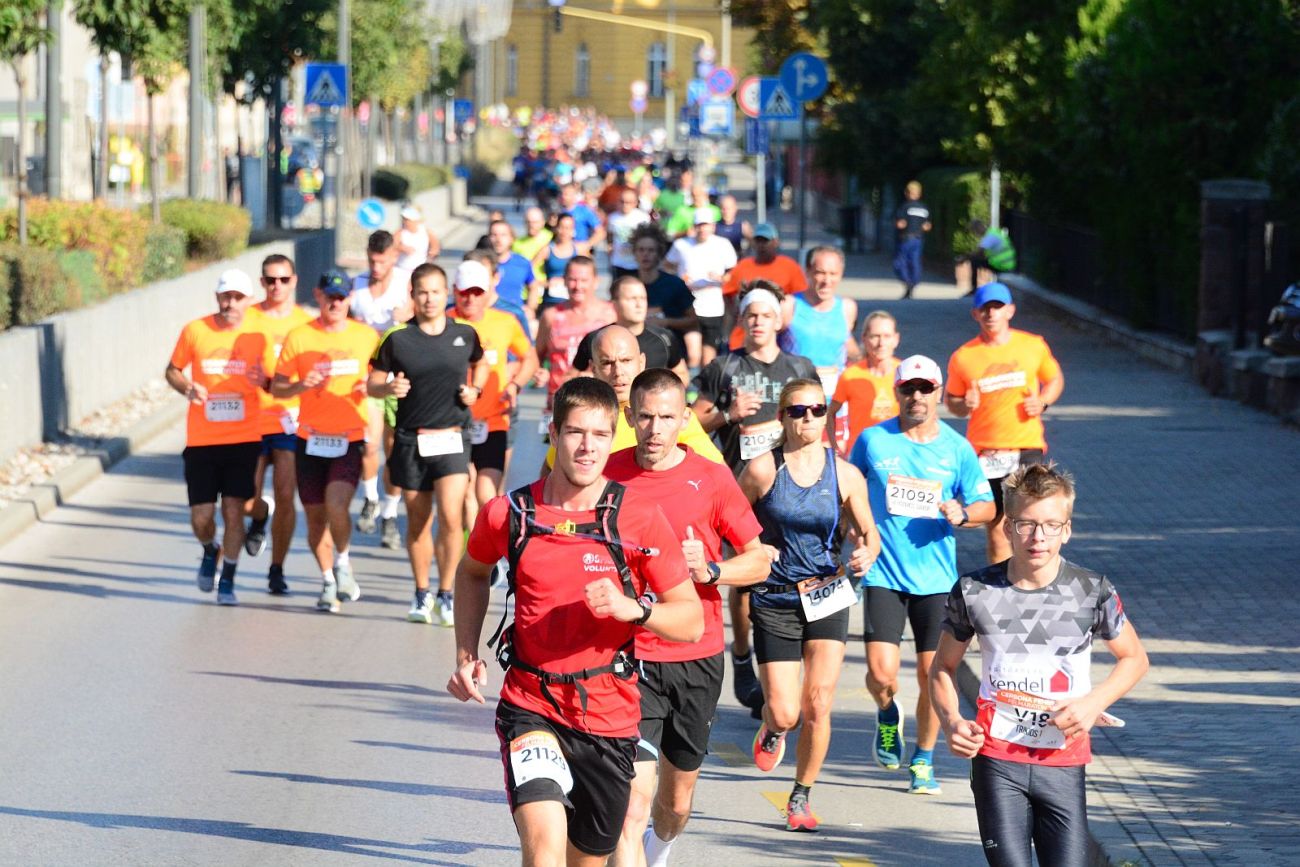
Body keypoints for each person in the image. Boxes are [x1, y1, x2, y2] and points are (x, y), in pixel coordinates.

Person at [447, 377, 704, 867]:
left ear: (614, 438)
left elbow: (690, 619)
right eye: (575, 433)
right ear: (553, 432)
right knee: (544, 851)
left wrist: (637, 610)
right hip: (531, 705)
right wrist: (466, 652)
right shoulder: (510, 513)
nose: (587, 447)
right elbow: (472, 571)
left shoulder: (639, 518)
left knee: (585, 859)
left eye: (600, 435)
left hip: (609, 715)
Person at [930, 463, 1149, 865]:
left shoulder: (1091, 590)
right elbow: (942, 668)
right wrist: (951, 723)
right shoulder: (974, 590)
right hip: (997, 759)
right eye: (1027, 524)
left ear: (1067, 530)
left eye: (1051, 525)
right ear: (1008, 527)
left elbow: (1134, 659)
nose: (1038, 537)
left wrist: (1092, 703)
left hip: (1062, 761)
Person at [606, 368, 772, 865]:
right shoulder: (606, 475)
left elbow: (759, 559)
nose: (655, 429)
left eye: (666, 418)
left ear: (684, 419)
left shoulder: (712, 477)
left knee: (673, 804)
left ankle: (660, 849)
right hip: (627, 656)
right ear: (630, 417)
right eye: (646, 417)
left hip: (694, 655)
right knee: (632, 801)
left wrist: (713, 570)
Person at [848, 355, 997, 794]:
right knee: (881, 673)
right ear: (896, 392)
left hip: (935, 581)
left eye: (926, 388)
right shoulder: (873, 440)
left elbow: (988, 507)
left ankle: (924, 758)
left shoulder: (956, 447)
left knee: (934, 675)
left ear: (938, 393)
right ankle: (887, 713)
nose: (917, 396)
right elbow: (848, 489)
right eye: (908, 388)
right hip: (883, 574)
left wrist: (963, 513)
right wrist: (854, 533)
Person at [739, 378, 879, 829]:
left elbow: (869, 532)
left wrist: (866, 551)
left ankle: (800, 796)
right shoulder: (763, 470)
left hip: (827, 594)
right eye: (798, 411)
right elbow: (731, 524)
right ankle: (774, 727)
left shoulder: (845, 474)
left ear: (826, 415)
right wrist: (754, 549)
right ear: (782, 417)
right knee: (786, 710)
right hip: (776, 598)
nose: (808, 419)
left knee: (818, 703)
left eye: (817, 410)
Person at [691, 284, 818, 714]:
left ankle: (778, 668)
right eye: (752, 315)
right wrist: (728, 414)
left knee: (790, 576)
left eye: (767, 314)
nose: (760, 321)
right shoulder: (724, 367)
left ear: (779, 321)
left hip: (791, 488)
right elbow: (691, 424)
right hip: (738, 489)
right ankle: (743, 655)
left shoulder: (799, 367)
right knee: (747, 579)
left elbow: (819, 421)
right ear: (742, 321)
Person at [369, 264, 487, 626]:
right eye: (422, 291)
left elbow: (480, 365)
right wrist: (388, 388)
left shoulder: (464, 334)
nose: (429, 298)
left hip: (452, 436)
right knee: (419, 521)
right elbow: (371, 384)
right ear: (412, 294)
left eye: (436, 291)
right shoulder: (397, 339)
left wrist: (475, 390)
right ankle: (422, 592)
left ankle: (447, 592)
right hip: (410, 438)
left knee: (452, 516)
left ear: (446, 293)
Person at [272, 271, 379, 614]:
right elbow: (277, 388)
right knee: (316, 517)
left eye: (342, 297)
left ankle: (344, 563)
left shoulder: (366, 336)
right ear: (318, 296)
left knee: (337, 504)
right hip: (310, 439)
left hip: (349, 436)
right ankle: (328, 580)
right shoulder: (300, 337)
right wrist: (302, 385)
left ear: (349, 299)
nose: (335, 303)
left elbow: (383, 376)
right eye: (330, 296)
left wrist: (372, 386)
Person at [165, 269, 267, 606]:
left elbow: (275, 378)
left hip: (244, 437)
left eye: (238, 297)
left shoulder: (260, 335)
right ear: (217, 298)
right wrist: (187, 387)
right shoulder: (195, 330)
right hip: (203, 440)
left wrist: (264, 381)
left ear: (249, 300)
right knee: (202, 517)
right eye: (226, 296)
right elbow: (172, 370)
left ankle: (229, 580)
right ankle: (211, 549)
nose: (231, 303)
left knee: (235, 510)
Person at [945, 283, 1065, 564]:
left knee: (1033, 525)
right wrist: (965, 403)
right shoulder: (964, 356)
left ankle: (1034, 584)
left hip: (1026, 447)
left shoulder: (1032, 345)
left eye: (997, 307)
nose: (991, 314)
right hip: (986, 452)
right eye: (985, 309)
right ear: (976, 314)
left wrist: (1044, 401)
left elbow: (1055, 378)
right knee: (998, 529)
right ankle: (1004, 591)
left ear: (1010, 310)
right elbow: (953, 401)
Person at [450, 259, 540, 543]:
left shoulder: (504, 322)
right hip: (453, 421)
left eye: (478, 292)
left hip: (493, 419)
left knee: (487, 492)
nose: (471, 299)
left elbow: (530, 357)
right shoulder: (445, 323)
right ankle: (473, 549)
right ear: (455, 291)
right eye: (465, 292)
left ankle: (489, 549)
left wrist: (514, 385)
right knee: (465, 492)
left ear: (488, 291)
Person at [243, 254, 314, 594]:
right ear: (262, 283)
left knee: (287, 494)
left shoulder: (305, 323)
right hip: (251, 419)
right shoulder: (248, 318)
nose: (277, 286)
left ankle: (277, 568)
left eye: (283, 279)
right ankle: (258, 516)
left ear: (294, 281)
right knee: (244, 496)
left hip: (290, 419)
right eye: (270, 280)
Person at [349, 231, 412, 544]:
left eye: (382, 261)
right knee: (369, 445)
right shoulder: (357, 286)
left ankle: (389, 512)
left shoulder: (406, 284)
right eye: (372, 260)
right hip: (368, 379)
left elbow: (422, 322)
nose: (376, 267)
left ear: (393, 257)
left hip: (398, 379)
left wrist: (408, 316)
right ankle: (371, 498)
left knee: (394, 451)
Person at [779, 246, 859, 450]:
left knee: (835, 459)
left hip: (834, 404)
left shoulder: (847, 308)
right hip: (798, 404)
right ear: (807, 271)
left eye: (833, 274)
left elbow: (846, 344)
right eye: (820, 272)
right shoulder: (789, 305)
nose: (826, 280)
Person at [534, 256, 617, 417]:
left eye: (584, 280)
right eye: (572, 280)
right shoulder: (551, 316)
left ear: (595, 281)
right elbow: (537, 355)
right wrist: (539, 371)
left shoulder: (611, 314)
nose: (578, 286)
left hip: (600, 402)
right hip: (559, 402)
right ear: (564, 280)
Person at [572, 276, 688, 383]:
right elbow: (571, 377)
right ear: (614, 303)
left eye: (642, 298)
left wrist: (660, 387)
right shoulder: (596, 339)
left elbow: (682, 375)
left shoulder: (665, 337)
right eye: (632, 299)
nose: (639, 304)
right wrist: (589, 380)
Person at [665, 208, 737, 369]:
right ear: (694, 226)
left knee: (708, 357)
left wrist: (721, 278)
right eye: (699, 225)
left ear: (713, 226)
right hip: (688, 306)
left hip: (712, 306)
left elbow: (733, 272)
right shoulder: (681, 245)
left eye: (706, 225)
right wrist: (678, 279)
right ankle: (689, 389)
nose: (702, 229)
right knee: (693, 355)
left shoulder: (723, 245)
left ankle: (705, 390)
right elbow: (666, 265)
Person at [723, 224, 807, 349]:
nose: (761, 245)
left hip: (780, 336)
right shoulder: (742, 266)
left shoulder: (789, 266)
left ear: (775, 242)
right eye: (758, 241)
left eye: (765, 241)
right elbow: (727, 292)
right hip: (745, 336)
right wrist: (735, 313)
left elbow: (801, 300)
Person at [830, 311, 903, 454]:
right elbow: (830, 413)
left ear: (896, 339)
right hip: (861, 455)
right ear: (864, 339)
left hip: (897, 453)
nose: (881, 343)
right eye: (875, 336)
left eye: (887, 336)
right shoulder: (851, 375)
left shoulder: (905, 372)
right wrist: (836, 447)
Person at [630, 223, 698, 351]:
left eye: (651, 250)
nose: (645, 254)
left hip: (670, 351)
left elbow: (693, 320)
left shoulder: (675, 284)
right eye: (641, 250)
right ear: (634, 252)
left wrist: (665, 322)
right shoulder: (626, 285)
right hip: (635, 350)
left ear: (659, 253)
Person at [487, 219, 540, 339]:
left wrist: (530, 308)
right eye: (494, 235)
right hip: (488, 317)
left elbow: (533, 286)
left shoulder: (522, 263)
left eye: (503, 235)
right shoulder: (482, 263)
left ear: (512, 238)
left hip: (515, 317)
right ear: (489, 238)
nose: (498, 239)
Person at [531, 213, 587, 314]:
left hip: (574, 301)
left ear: (573, 230)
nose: (565, 232)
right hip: (551, 302)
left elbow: (590, 274)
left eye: (569, 228)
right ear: (556, 228)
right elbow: (528, 271)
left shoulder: (580, 249)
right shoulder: (547, 250)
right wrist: (544, 284)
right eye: (562, 227)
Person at [956, 219, 1017, 296]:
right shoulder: (994, 232)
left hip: (1002, 265)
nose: (975, 234)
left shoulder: (989, 237)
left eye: (974, 232)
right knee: (978, 260)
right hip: (1009, 263)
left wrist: (964, 258)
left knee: (974, 260)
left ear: (978, 228)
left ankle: (974, 289)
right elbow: (984, 254)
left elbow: (979, 252)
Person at [893, 180, 931, 299]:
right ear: (919, 194)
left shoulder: (904, 207)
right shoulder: (924, 208)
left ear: (907, 193)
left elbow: (900, 224)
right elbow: (927, 226)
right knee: (915, 262)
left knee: (899, 263)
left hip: (905, 239)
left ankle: (907, 282)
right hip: (918, 239)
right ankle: (913, 283)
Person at [606, 188, 652, 280]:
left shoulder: (643, 218)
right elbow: (610, 235)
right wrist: (610, 246)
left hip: (637, 263)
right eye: (622, 202)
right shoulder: (613, 218)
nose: (624, 205)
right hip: (618, 262)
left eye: (628, 202)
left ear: (635, 203)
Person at [559, 181, 607, 251]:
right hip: (562, 251)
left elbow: (601, 232)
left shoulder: (584, 211)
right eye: (561, 194)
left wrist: (587, 244)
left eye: (566, 194)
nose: (563, 196)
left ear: (574, 195)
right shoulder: (558, 212)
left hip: (579, 252)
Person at [513, 206, 554, 285]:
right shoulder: (517, 243)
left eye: (535, 222)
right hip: (525, 289)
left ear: (543, 222)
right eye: (528, 222)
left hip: (547, 288)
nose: (531, 225)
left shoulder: (551, 238)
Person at [395, 205, 441, 274]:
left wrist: (431, 256)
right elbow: (391, 246)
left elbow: (435, 246)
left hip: (419, 271)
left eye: (407, 219)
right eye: (404, 219)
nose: (404, 221)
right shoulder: (400, 233)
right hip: (402, 269)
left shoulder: (426, 232)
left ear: (414, 220)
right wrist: (401, 248)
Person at [715, 193, 749, 258]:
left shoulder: (743, 226)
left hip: (737, 263)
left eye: (729, 209)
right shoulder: (714, 227)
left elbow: (753, 245)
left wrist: (745, 254)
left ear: (735, 209)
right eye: (723, 209)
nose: (726, 212)